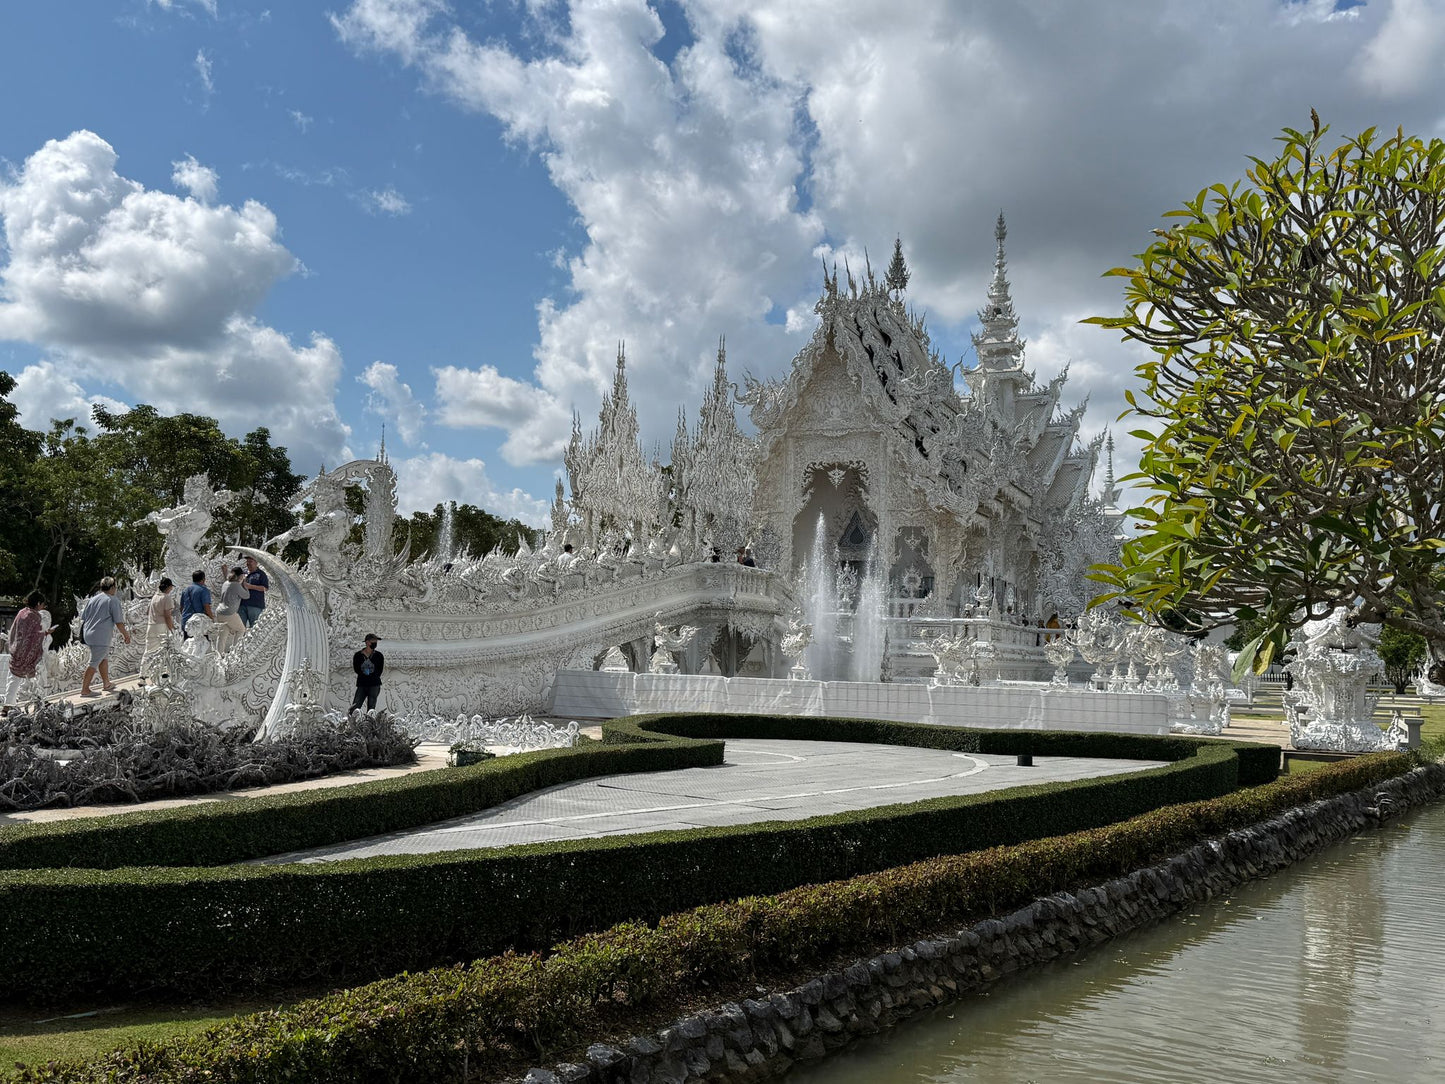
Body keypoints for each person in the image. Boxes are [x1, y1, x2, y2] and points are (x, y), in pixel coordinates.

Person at [79, 576, 130, 697]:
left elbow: (84, 618)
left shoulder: (93, 599)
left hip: (89, 634)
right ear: (112, 587)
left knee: (103, 658)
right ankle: (85, 689)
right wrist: (126, 635)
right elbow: (119, 622)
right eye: (115, 587)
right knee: (94, 661)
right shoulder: (113, 600)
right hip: (100, 635)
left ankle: (106, 683)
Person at [4, 591, 48, 710]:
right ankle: (7, 707)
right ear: (38, 603)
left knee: (13, 679)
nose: (43, 607)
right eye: (43, 604)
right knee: (20, 678)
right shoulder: (34, 616)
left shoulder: (21, 612)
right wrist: (46, 633)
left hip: (16, 649)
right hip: (26, 653)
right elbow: (34, 635)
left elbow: (14, 629)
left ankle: (11, 704)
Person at [141, 578, 177, 678]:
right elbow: (167, 616)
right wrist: (172, 629)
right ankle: (164, 672)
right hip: (161, 626)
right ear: (169, 587)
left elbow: (147, 612)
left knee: (149, 651)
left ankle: (142, 674)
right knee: (165, 649)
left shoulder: (155, 596)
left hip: (151, 625)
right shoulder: (167, 598)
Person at [212, 566, 250, 653]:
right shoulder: (236, 585)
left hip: (219, 612)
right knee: (241, 630)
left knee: (222, 634)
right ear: (240, 576)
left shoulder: (226, 583)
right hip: (229, 613)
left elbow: (229, 581)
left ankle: (219, 654)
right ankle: (235, 652)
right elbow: (246, 596)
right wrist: (245, 585)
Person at [351, 633, 384, 711]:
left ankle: (369, 722)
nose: (375, 643)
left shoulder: (379, 655)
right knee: (355, 706)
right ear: (367, 642)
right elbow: (356, 669)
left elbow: (379, 670)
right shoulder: (358, 655)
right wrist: (364, 672)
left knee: (371, 708)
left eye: (376, 641)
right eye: (373, 641)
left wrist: (371, 673)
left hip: (374, 684)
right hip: (362, 684)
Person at [179, 570, 213, 638]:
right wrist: (211, 618)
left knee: (188, 645)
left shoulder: (185, 590)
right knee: (202, 645)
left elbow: (181, 607)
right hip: (199, 623)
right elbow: (207, 607)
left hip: (186, 621)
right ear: (203, 579)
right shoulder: (203, 590)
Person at [238, 554, 269, 628]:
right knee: (240, 628)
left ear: (256, 562)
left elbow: (265, 588)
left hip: (255, 605)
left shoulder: (261, 574)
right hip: (242, 605)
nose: (248, 563)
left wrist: (250, 586)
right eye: (247, 561)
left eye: (250, 561)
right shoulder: (244, 574)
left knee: (254, 628)